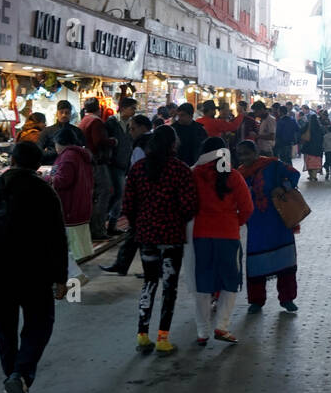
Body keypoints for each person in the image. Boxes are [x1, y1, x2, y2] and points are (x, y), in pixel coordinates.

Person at [0, 141, 68, 393]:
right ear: (36, 165)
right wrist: (60, 276)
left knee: (5, 329)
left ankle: (12, 378)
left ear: (12, 160)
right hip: (35, 273)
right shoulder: (44, 191)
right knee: (40, 324)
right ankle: (19, 376)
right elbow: (57, 237)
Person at [120, 126, 198, 354]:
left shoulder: (139, 169)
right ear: (173, 144)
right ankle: (163, 338)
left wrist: (138, 223)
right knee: (169, 286)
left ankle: (142, 335)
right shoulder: (180, 170)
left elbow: (128, 203)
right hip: (171, 235)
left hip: (146, 235)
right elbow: (189, 205)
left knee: (149, 282)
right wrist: (178, 218)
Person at [190, 137, 253, 345]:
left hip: (200, 235)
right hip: (227, 234)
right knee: (231, 281)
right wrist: (235, 222)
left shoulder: (193, 174)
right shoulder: (233, 175)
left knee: (203, 282)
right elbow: (247, 208)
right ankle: (222, 326)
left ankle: (202, 332)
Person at [238, 140, 302, 314]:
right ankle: (257, 301)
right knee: (256, 263)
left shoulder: (272, 165)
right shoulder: (240, 174)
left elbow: (294, 175)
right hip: (256, 225)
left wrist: (282, 187)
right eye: (241, 154)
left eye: (247, 153)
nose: (244, 157)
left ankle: (287, 298)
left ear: (256, 152)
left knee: (286, 262)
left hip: (279, 222)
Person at [99, 115, 154, 277]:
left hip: (144, 195)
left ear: (143, 127)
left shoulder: (142, 144)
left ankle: (148, 268)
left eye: (133, 128)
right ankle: (122, 264)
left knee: (141, 233)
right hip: (150, 194)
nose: (130, 132)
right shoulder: (152, 141)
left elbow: (139, 170)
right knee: (135, 233)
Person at [49, 125, 94, 263]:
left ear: (60, 143)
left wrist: (47, 178)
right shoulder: (80, 154)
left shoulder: (68, 156)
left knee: (71, 245)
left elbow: (63, 180)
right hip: (81, 201)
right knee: (79, 240)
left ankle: (72, 267)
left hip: (70, 203)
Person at [78, 99, 114, 240]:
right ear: (99, 109)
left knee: (94, 196)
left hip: (88, 163)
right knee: (104, 193)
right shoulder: (96, 122)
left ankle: (93, 227)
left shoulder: (83, 121)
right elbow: (99, 141)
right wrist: (113, 141)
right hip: (97, 163)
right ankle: (98, 229)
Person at [104, 97, 137, 236]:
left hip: (124, 164)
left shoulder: (129, 124)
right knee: (117, 194)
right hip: (114, 164)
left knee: (119, 195)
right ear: (123, 108)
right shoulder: (112, 123)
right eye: (132, 108)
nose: (134, 111)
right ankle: (105, 222)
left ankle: (110, 224)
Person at [172, 102, 208, 168]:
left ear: (191, 116)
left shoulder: (199, 129)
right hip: (177, 165)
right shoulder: (173, 129)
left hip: (195, 164)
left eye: (182, 115)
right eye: (179, 115)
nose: (179, 118)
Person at [300, 113, 325, 180]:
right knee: (316, 162)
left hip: (309, 147)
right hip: (318, 147)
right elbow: (323, 135)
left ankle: (311, 175)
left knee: (309, 161)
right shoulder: (320, 126)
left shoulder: (308, 125)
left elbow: (301, 131)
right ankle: (314, 175)